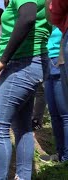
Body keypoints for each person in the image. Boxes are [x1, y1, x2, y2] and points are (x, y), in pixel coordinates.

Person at [0, 0, 51, 179]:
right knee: (22, 127)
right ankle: (23, 176)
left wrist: (3, 60)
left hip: (23, 63)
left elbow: (28, 17)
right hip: (28, 61)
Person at [40, 26, 68, 163]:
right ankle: (60, 153)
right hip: (47, 65)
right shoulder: (47, 22)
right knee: (54, 114)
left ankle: (66, 158)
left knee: (65, 114)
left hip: (61, 62)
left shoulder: (64, 20)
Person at [47, 0, 68, 108]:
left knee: (64, 112)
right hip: (47, 61)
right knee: (53, 110)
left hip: (59, 60)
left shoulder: (62, 22)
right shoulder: (47, 23)